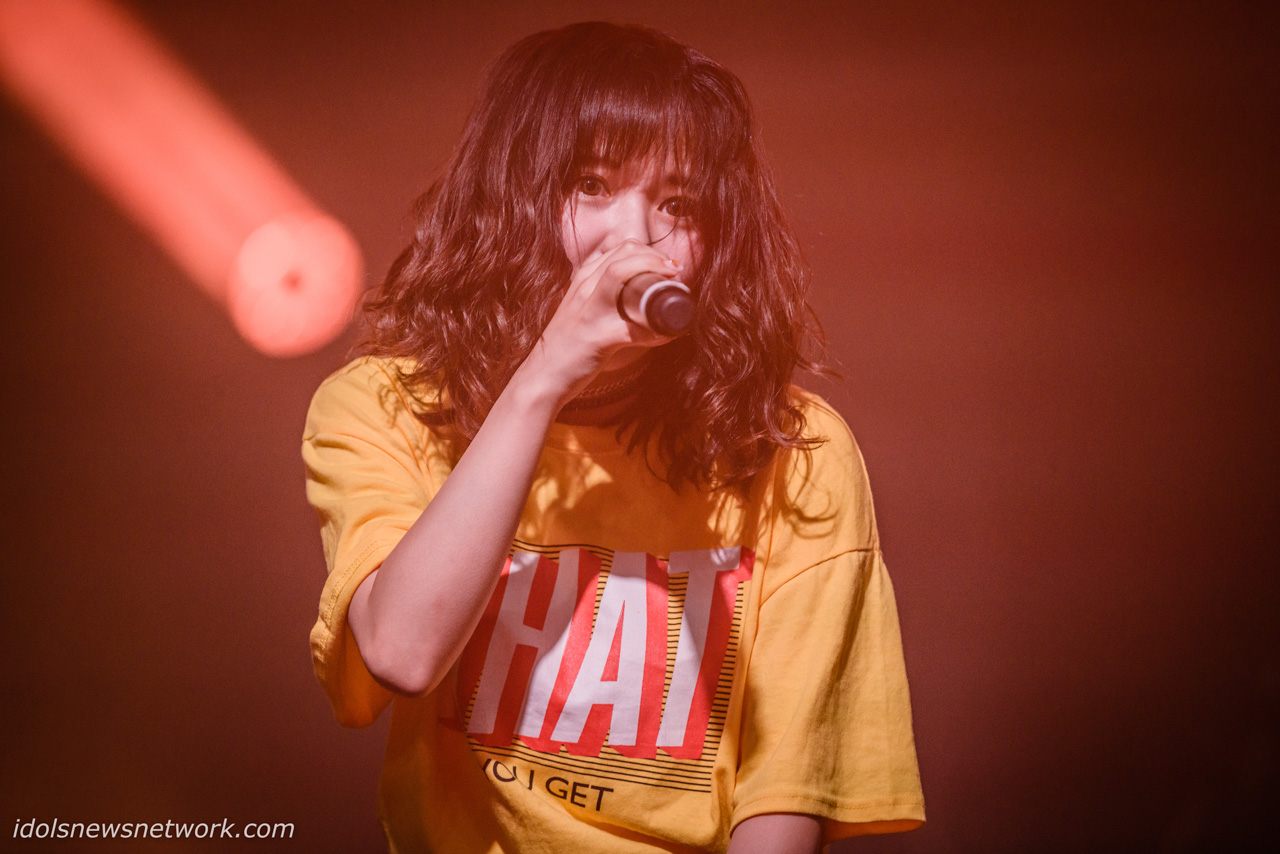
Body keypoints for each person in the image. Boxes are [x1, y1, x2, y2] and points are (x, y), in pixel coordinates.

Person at [303, 21, 924, 853]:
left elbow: (783, 795)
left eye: (677, 204)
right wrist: (547, 375)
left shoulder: (792, 450)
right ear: (511, 201)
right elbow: (401, 652)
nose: (634, 240)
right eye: (591, 184)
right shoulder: (388, 406)